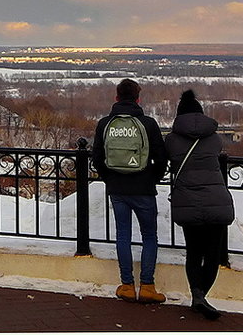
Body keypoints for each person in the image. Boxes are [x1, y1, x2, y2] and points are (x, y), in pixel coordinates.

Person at [93, 78, 169, 303]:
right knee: (149, 237)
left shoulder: (105, 123)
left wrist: (110, 179)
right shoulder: (148, 124)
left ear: (116, 98)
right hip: (144, 188)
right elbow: (161, 158)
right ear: (138, 98)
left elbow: (97, 158)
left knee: (123, 236)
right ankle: (147, 286)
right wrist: (151, 178)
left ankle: (126, 285)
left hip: (117, 189)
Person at [165, 89, 235, 321]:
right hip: (216, 199)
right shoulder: (214, 139)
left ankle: (197, 294)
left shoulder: (172, 140)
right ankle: (201, 296)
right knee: (213, 253)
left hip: (188, 201)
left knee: (194, 251)